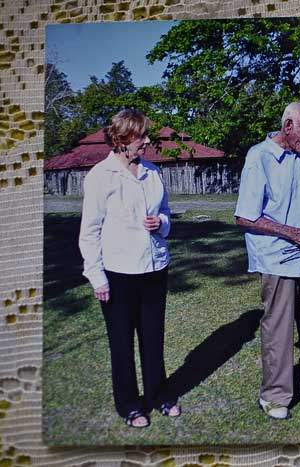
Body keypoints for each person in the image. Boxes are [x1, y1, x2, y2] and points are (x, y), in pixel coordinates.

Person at [234, 102, 300, 420]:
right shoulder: (260, 157)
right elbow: (244, 216)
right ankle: (274, 397)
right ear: (288, 125)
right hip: (278, 258)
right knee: (278, 329)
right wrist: (295, 233)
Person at [78, 109, 180, 428]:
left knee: (153, 339)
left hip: (154, 270)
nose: (147, 141)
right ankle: (130, 405)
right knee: (121, 343)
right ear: (122, 140)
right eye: (141, 137)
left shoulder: (152, 173)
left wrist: (160, 222)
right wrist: (97, 277)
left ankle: (159, 395)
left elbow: (166, 214)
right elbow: (89, 231)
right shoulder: (99, 176)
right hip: (117, 276)